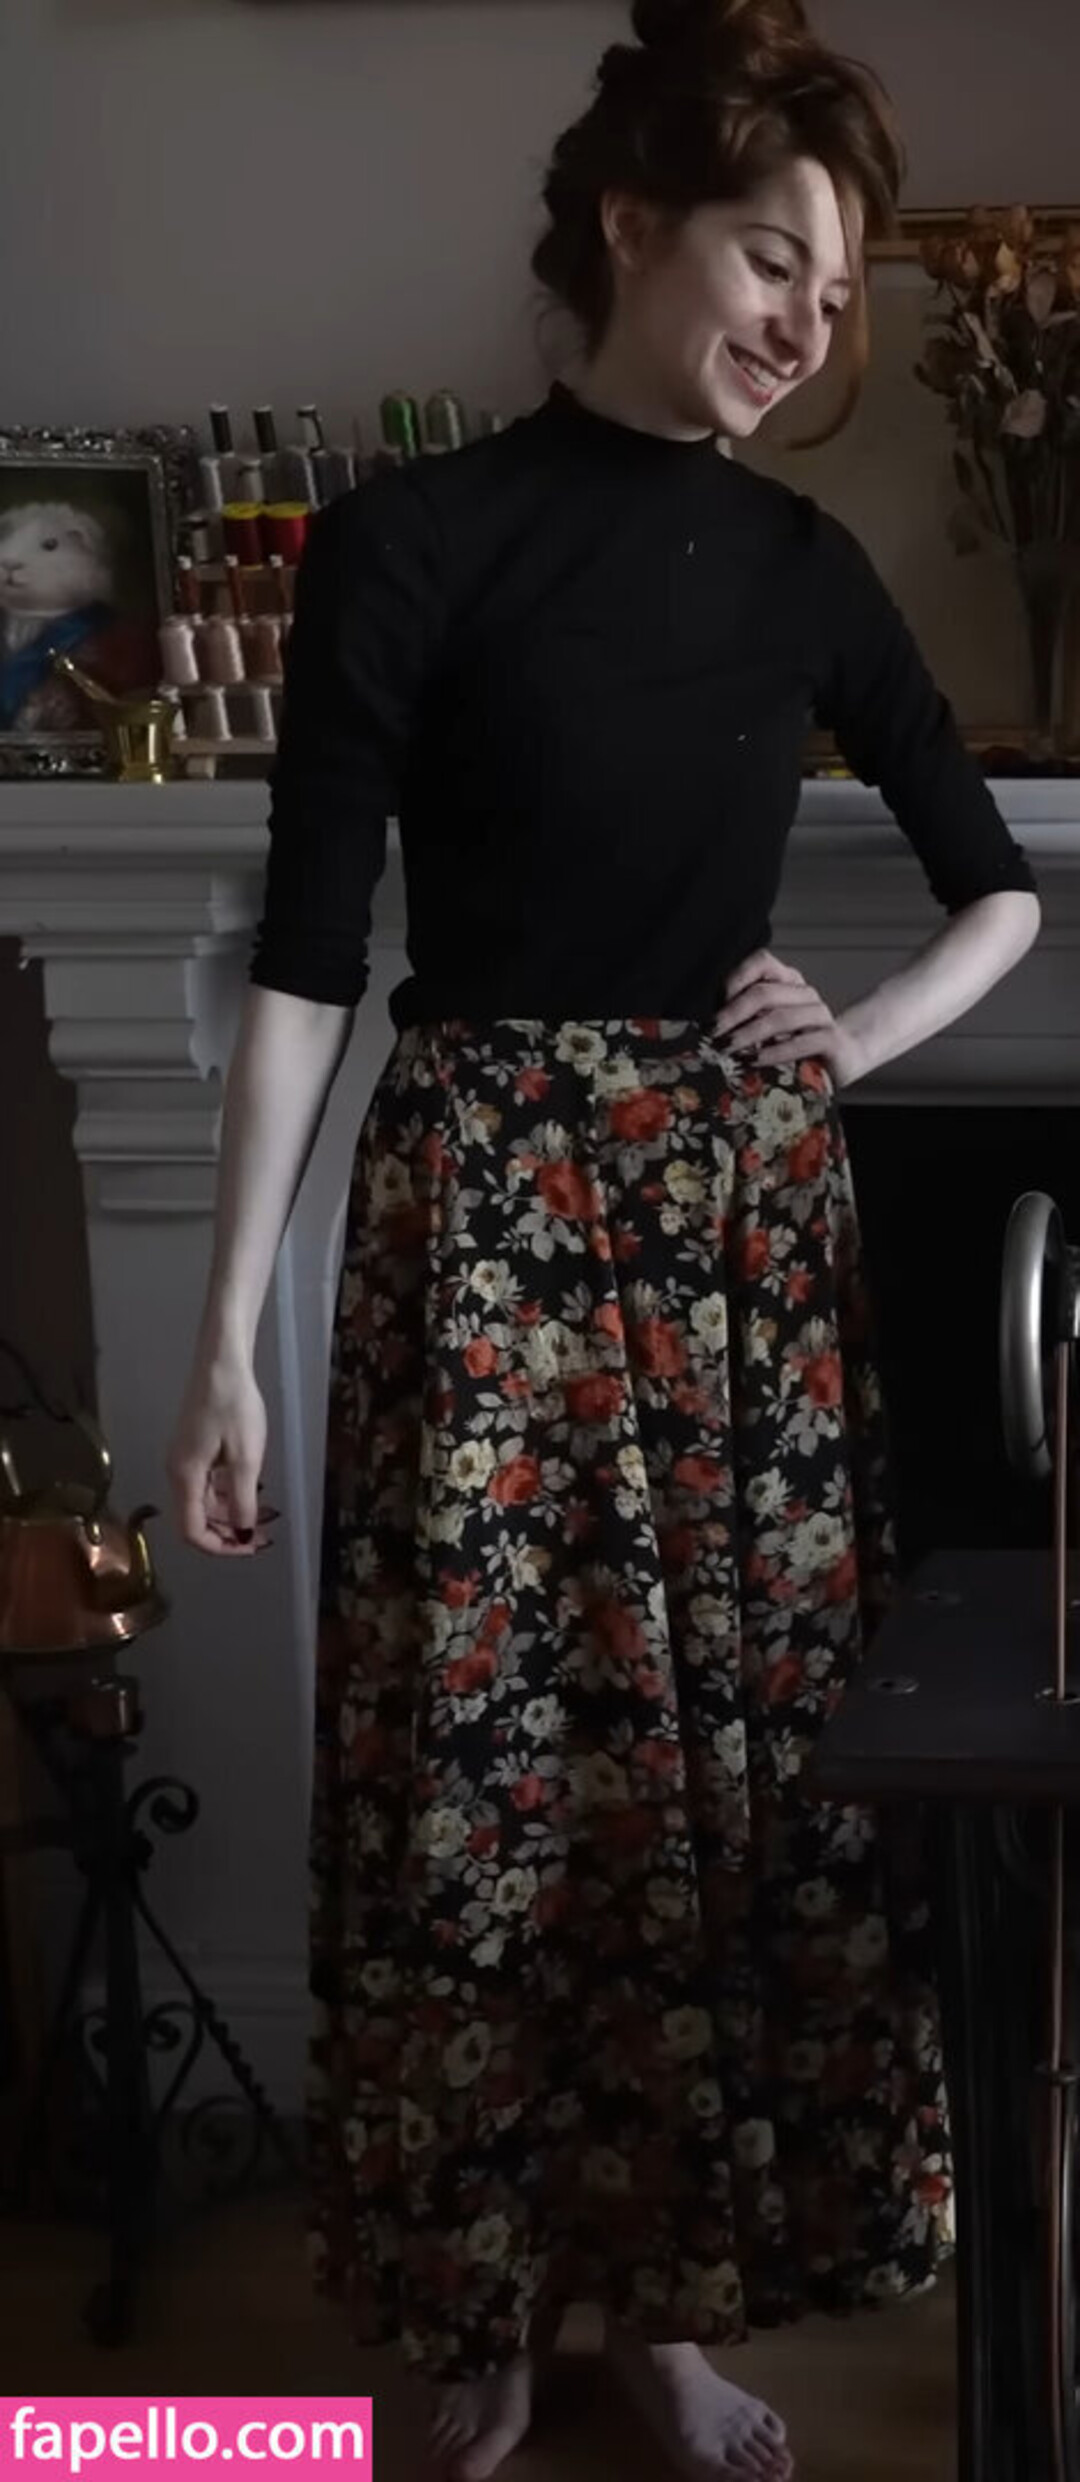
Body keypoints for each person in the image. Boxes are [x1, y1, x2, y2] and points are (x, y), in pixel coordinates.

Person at [168, 0, 1040, 2474]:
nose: (805, 326)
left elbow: (996, 893)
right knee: (481, 1787)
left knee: (708, 1793)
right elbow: (308, 964)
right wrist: (226, 1339)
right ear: (635, 224)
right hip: (477, 1224)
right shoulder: (410, 542)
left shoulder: (804, 568)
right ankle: (481, 2306)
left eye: (836, 297)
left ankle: (661, 2314)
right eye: (774, 261)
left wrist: (844, 1046)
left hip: (737, 1243)